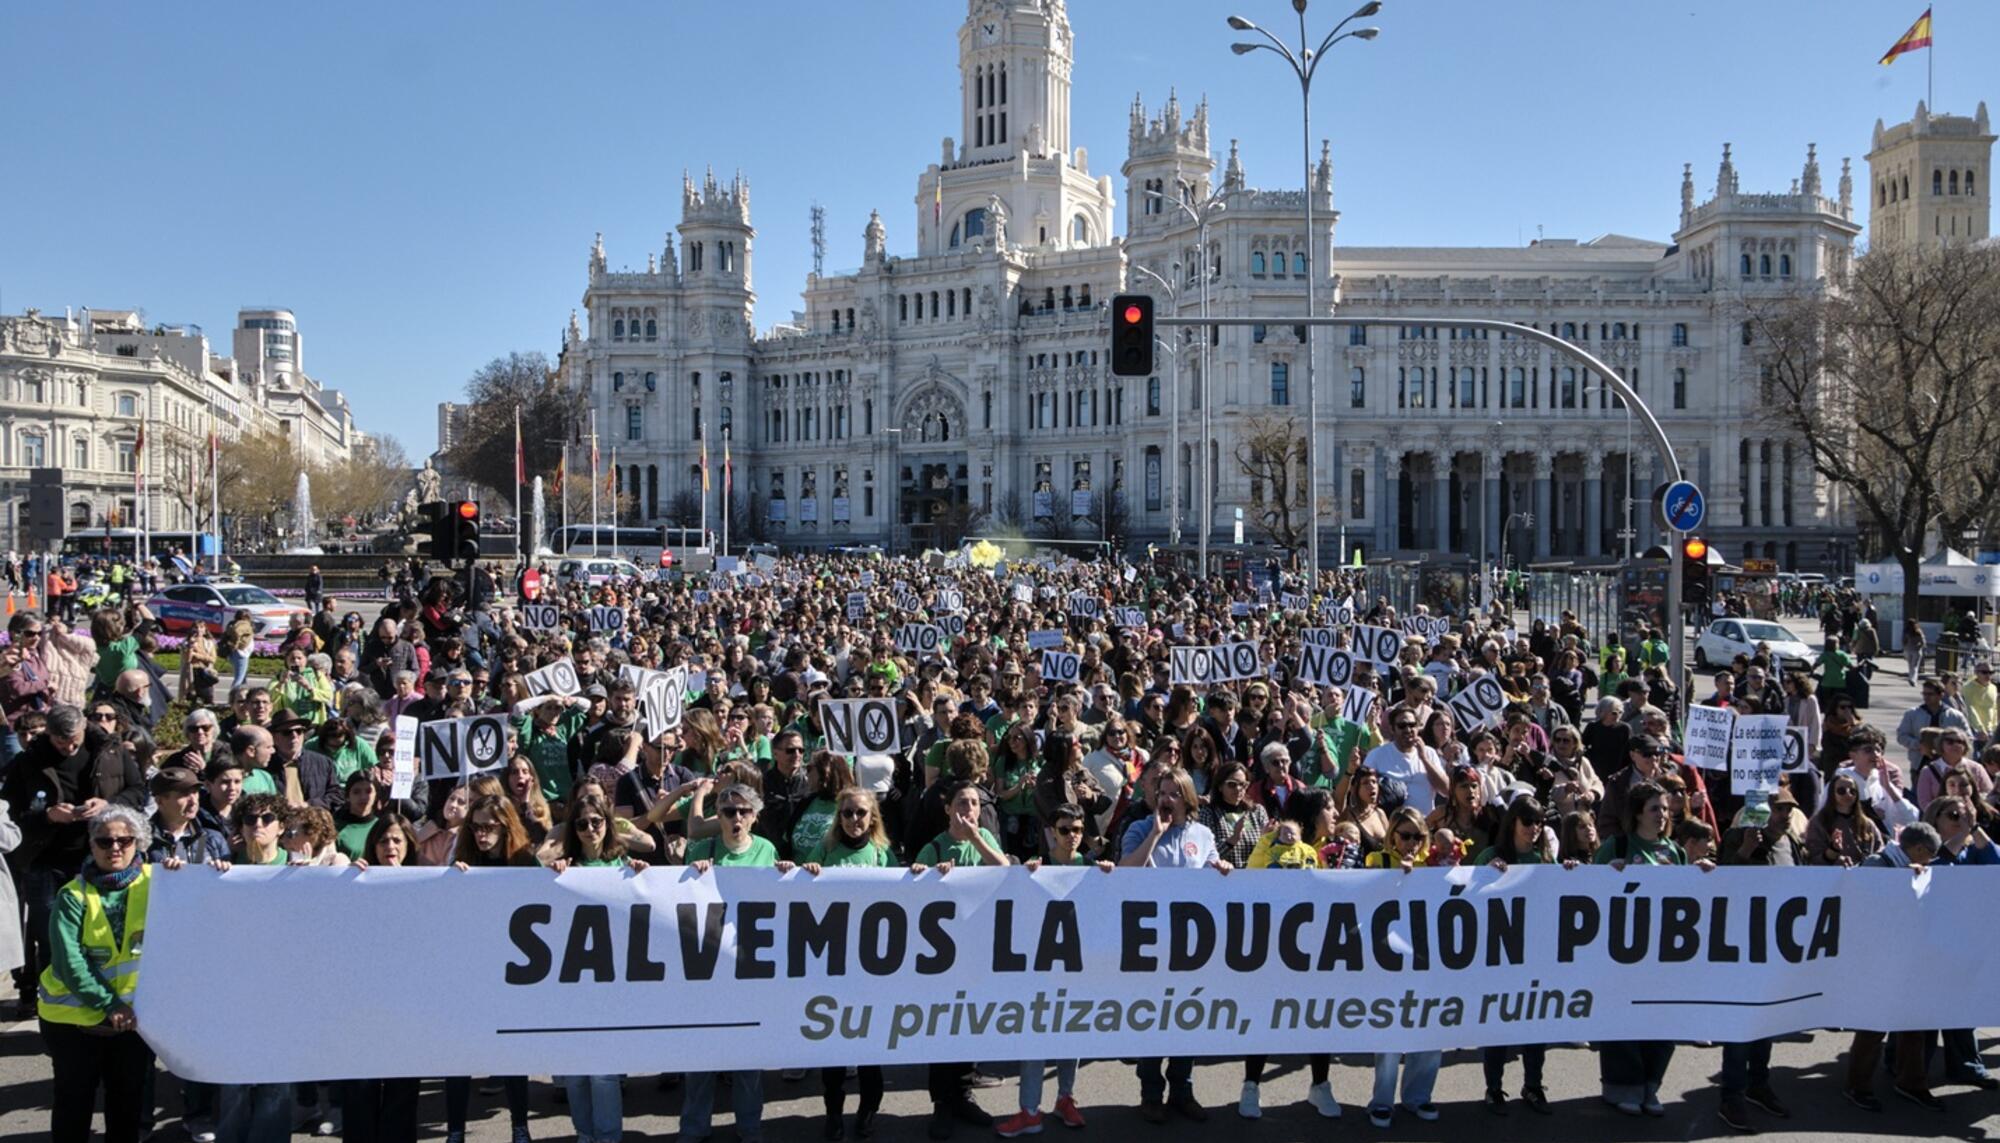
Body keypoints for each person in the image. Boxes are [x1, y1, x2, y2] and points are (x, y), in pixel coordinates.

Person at [40, 805, 218, 1143]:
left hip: (132, 1020)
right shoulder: (73, 896)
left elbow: (202, 912)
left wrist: (208, 873)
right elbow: (69, 963)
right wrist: (111, 1005)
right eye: (104, 842)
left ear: (140, 843)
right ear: (91, 847)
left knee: (127, 1106)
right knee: (73, 1104)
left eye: (125, 840)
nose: (115, 848)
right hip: (74, 1020)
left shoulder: (162, 883)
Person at [1594, 781, 1716, 1115]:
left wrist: (1701, 874)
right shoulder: (1617, 846)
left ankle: (1651, 1085)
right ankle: (1622, 1088)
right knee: (1624, 1022)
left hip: (1665, 956)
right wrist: (1607, 876)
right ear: (1636, 813)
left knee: (1663, 1022)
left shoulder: (1673, 851)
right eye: (1654, 809)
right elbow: (1587, 894)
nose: (1663, 815)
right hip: (1624, 954)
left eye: (1665, 809)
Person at [1118, 767, 1226, 1124]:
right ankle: (1151, 1093)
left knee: (1188, 1019)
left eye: (1173, 794)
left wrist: (1221, 868)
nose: (1165, 800)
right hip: (1150, 942)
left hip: (1193, 945)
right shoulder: (1138, 829)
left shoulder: (1202, 833)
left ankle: (1183, 1089)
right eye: (1161, 793)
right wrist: (1155, 833)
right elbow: (1125, 871)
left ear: (1187, 798)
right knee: (1155, 1018)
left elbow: (1211, 872)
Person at [682, 783, 785, 1142]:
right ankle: (693, 1130)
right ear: (719, 817)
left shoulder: (767, 851)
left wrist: (788, 873)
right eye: (728, 812)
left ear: (755, 817)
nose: (736, 818)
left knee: (747, 1063)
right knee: (700, 1062)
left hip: (748, 972)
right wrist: (692, 873)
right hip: (707, 972)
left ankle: (749, 1129)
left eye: (743, 812)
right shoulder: (701, 849)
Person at [995, 802, 1105, 1137]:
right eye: (1064, 830)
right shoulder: (1038, 867)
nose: (1071, 836)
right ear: (1051, 833)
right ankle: (1030, 1110)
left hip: (1077, 967)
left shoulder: (1092, 867)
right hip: (1040, 968)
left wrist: (1110, 873)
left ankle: (1065, 1098)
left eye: (1077, 829)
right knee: (1036, 1040)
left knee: (1070, 1036)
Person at [544, 799, 644, 1143]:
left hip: (611, 983)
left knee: (603, 1074)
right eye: (582, 824)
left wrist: (641, 876)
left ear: (607, 823)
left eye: (596, 822)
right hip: (569, 983)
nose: (590, 829)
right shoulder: (563, 867)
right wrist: (551, 873)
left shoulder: (624, 863)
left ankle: (609, 1137)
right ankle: (584, 1135)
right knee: (574, 1074)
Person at [1474, 796, 1561, 1115]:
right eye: (1528, 822)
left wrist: (1570, 873)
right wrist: (1485, 875)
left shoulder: (1544, 857)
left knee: (1534, 1028)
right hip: (1499, 956)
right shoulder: (1491, 855)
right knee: (1499, 1027)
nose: (1535, 829)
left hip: (1535, 956)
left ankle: (1533, 1085)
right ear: (1513, 823)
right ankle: (1494, 1088)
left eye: (1540, 823)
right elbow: (1467, 899)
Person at [1361, 807, 1443, 1127]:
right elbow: (1368, 901)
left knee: (1430, 1030)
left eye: (1417, 837)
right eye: (1405, 835)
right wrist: (1398, 880)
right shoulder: (1377, 862)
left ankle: (1417, 1096)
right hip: (1390, 962)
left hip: (1428, 960)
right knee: (1391, 1035)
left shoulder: (1435, 866)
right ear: (1392, 835)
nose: (1411, 843)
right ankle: (1382, 1101)